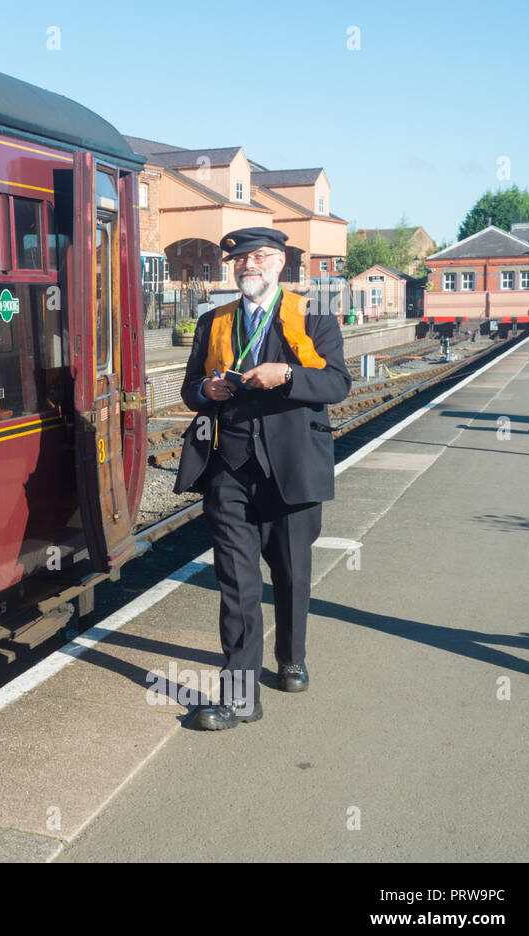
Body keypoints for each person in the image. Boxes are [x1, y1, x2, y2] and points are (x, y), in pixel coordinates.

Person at [173, 227, 352, 730]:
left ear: (280, 263)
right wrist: (206, 388)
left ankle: (290, 657)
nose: (247, 267)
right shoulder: (214, 322)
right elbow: (190, 390)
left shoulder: (311, 315)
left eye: (258, 258)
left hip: (291, 468)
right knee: (236, 582)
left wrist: (289, 376)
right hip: (227, 469)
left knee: (292, 572)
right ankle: (240, 695)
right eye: (240, 261)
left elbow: (338, 382)